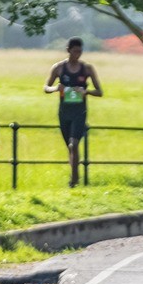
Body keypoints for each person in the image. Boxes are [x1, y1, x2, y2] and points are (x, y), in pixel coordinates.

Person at [43, 37, 103, 186]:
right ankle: (74, 175)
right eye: (75, 51)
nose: (78, 54)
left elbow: (99, 92)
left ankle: (74, 180)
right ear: (68, 50)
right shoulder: (59, 68)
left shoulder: (87, 69)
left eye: (80, 51)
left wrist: (86, 91)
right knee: (69, 147)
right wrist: (56, 88)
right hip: (64, 112)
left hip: (79, 112)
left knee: (73, 144)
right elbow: (46, 88)